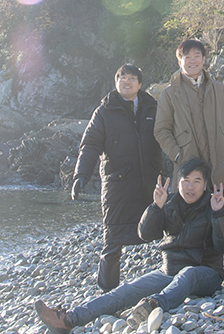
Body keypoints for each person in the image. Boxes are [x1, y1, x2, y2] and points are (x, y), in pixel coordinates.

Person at [36, 159, 224, 334]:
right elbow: (145, 234)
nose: (190, 187)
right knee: (124, 292)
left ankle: (153, 305)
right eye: (186, 180)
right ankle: (69, 320)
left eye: (197, 181)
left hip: (205, 273)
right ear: (178, 182)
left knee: (188, 274)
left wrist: (218, 214)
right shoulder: (169, 204)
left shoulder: (214, 206)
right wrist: (156, 207)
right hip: (169, 271)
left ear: (205, 185)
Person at [153, 39, 224, 276]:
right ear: (179, 61)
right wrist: (178, 154)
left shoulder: (218, 88)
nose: (192, 60)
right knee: (192, 217)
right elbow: (161, 130)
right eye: (187, 57)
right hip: (189, 168)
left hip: (220, 164)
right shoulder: (169, 93)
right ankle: (192, 262)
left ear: (204, 59)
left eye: (197, 55)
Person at [70, 64, 164, 291]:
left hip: (151, 182)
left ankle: (173, 276)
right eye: (122, 77)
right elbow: (90, 144)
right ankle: (107, 290)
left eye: (132, 78)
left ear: (140, 84)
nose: (127, 81)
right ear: (116, 82)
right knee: (113, 238)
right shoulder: (104, 112)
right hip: (118, 185)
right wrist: (81, 174)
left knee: (165, 228)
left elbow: (170, 134)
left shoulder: (153, 107)